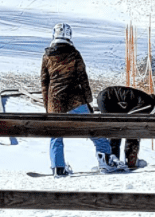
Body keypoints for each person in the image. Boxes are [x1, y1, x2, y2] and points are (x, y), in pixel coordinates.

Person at [40, 23, 118, 175]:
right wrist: (88, 100)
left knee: (56, 135)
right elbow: (83, 79)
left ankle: (58, 168)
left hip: (55, 103)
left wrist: (47, 106)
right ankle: (105, 160)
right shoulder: (74, 54)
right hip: (76, 100)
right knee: (93, 128)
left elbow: (44, 83)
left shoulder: (46, 57)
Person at [95, 84, 155, 169]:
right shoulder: (149, 104)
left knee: (118, 129)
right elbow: (131, 116)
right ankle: (126, 160)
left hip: (106, 97)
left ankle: (116, 159)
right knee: (124, 129)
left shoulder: (144, 99)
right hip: (108, 99)